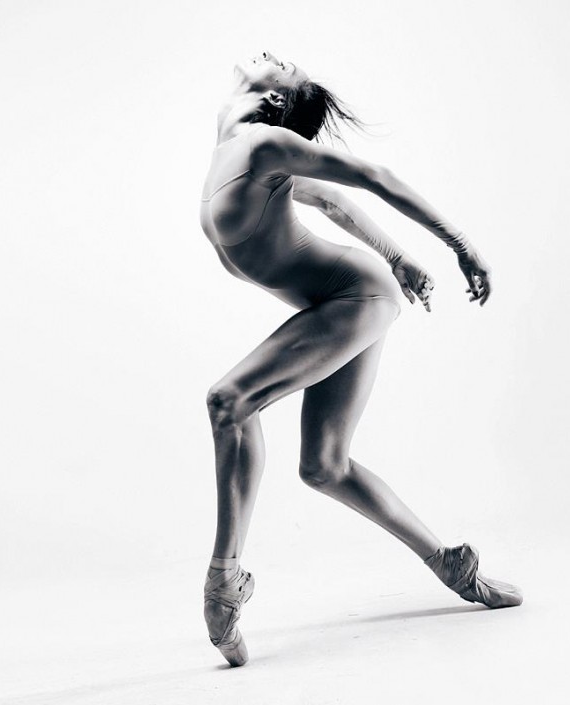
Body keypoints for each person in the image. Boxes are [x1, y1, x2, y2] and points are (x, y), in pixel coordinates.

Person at [199, 50, 522, 667]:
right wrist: (397, 256)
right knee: (324, 466)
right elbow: (331, 203)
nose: (273, 55)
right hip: (346, 300)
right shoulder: (235, 144)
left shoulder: (266, 144)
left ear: (276, 101)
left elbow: (371, 176)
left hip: (356, 298)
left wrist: (460, 245)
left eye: (284, 65)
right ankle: (452, 567)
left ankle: (223, 581)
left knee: (229, 402)